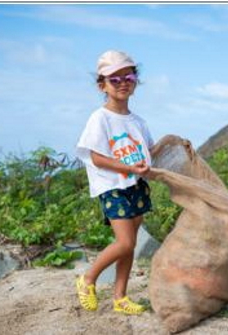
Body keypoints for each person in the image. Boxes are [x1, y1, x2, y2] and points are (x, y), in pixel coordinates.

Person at [75, 50, 154, 315]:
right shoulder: (100, 118)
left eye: (128, 76)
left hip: (137, 186)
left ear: (135, 80)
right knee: (125, 243)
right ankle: (87, 280)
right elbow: (96, 157)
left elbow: (149, 153)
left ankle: (120, 297)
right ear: (102, 85)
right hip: (113, 188)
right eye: (114, 79)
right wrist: (129, 167)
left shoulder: (138, 122)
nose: (122, 82)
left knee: (129, 245)